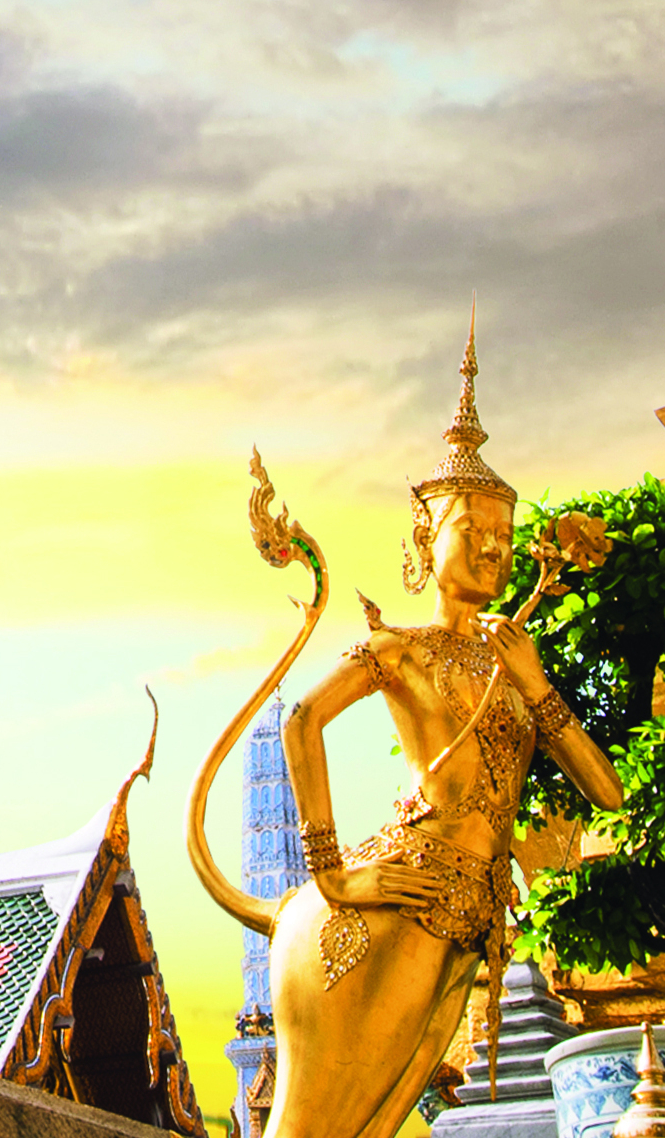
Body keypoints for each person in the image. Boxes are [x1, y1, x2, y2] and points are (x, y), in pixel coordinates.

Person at [250, 346, 618, 1138]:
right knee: (319, 1119)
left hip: (476, 909)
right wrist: (333, 876)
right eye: (473, 528)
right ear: (427, 536)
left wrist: (536, 683)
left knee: (376, 1123)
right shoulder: (400, 649)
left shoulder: (516, 665)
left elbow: (607, 791)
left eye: (505, 537)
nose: (493, 548)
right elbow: (301, 720)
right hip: (403, 895)